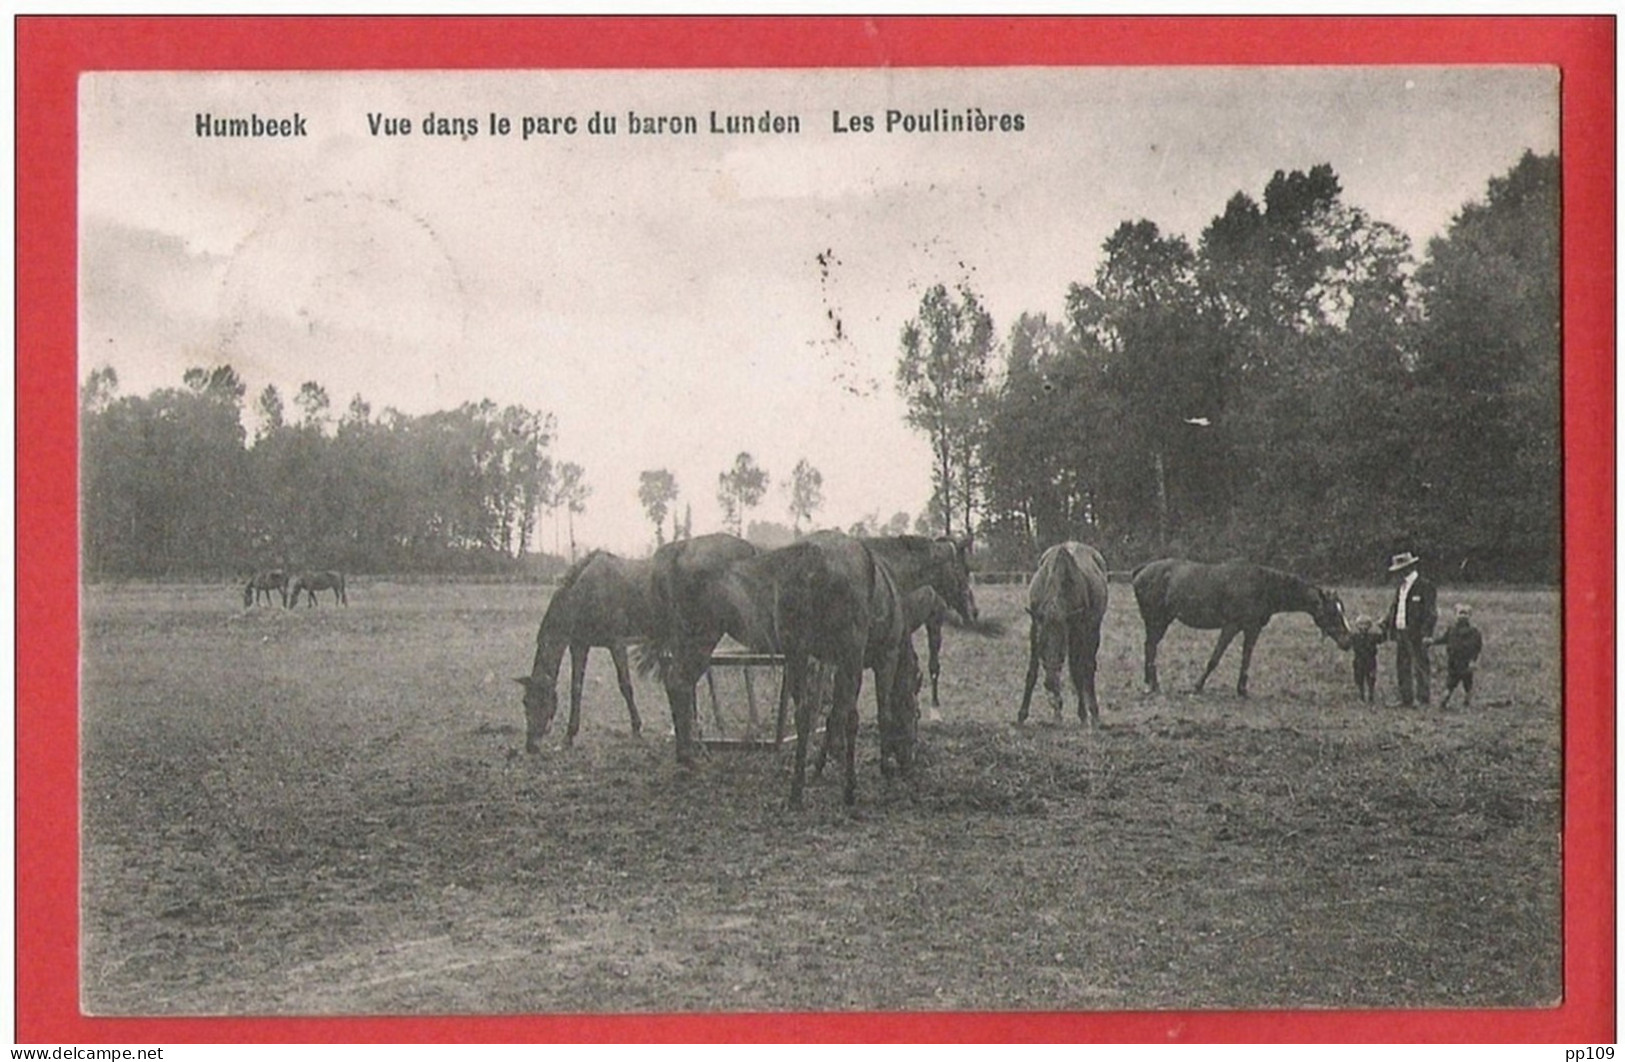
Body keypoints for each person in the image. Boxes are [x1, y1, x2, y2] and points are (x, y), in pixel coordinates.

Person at [1384, 551, 1437, 707]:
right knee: (1402, 665)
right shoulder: (1401, 588)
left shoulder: (1425, 586)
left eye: (1398, 570)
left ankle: (1423, 699)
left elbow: (1431, 612)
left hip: (1417, 633)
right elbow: (1395, 608)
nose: (1396, 575)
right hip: (1401, 631)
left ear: (1406, 569)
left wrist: (1427, 633)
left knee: (1420, 665)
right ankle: (1406, 698)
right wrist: (1387, 623)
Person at [1433, 603, 1484, 708]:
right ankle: (1466, 699)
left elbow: (1443, 639)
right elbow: (1477, 648)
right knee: (1467, 683)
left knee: (1451, 684)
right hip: (1465, 662)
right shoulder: (1474, 632)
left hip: (1454, 661)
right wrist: (1473, 660)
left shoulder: (1453, 630)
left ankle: (1446, 699)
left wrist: (1432, 641)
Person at [1347, 614, 1383, 703]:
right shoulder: (1354, 637)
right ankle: (1361, 695)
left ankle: (1371, 696)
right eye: (1361, 625)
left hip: (1370, 661)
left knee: (1370, 679)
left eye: (1365, 625)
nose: (1363, 627)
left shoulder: (1373, 636)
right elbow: (1346, 644)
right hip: (1359, 661)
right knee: (1359, 679)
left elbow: (1382, 638)